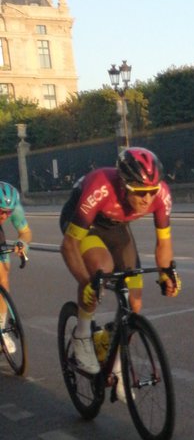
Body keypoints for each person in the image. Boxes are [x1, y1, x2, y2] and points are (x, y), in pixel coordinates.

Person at [59, 147, 181, 391]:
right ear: (124, 185)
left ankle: (115, 367)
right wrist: (85, 282)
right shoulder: (100, 186)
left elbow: (164, 244)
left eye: (152, 191)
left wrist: (166, 273)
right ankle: (82, 335)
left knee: (134, 304)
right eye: (140, 192)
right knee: (100, 271)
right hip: (83, 222)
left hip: (116, 227)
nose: (147, 199)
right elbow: (68, 246)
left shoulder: (161, 195)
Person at [0, 181, 32, 357]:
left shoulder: (14, 208)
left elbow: (25, 232)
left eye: (8, 212)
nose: (5, 216)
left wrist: (22, 243)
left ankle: (1, 329)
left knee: (3, 276)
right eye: (1, 211)